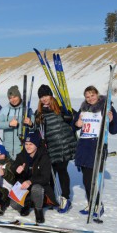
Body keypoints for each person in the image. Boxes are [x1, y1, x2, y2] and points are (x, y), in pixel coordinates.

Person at [74, 85, 117, 216]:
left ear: (97, 94)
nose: (90, 99)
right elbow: (74, 126)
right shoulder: (83, 109)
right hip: (83, 148)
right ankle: (91, 203)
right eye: (87, 97)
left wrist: (111, 120)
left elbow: (115, 130)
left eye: (92, 95)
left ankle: (97, 204)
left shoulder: (106, 107)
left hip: (97, 147)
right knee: (86, 180)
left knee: (91, 180)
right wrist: (77, 124)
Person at [35, 84, 77, 213]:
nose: (44, 99)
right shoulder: (39, 113)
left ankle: (65, 197)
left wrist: (71, 119)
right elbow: (38, 130)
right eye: (41, 97)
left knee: (62, 170)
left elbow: (77, 122)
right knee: (50, 173)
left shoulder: (61, 109)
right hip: (50, 147)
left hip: (64, 146)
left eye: (46, 95)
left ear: (51, 95)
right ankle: (51, 197)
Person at [10, 132, 57, 223]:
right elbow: (13, 166)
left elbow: (45, 178)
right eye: (26, 144)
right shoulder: (22, 155)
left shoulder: (44, 157)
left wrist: (30, 181)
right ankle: (26, 204)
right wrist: (16, 168)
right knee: (14, 205)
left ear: (36, 145)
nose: (28, 146)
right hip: (24, 186)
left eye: (31, 144)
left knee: (36, 188)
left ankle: (38, 209)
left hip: (38, 185)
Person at [0, 85, 34, 159]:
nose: (13, 100)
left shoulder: (27, 110)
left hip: (21, 148)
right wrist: (9, 124)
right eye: (10, 98)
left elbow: (34, 128)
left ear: (19, 96)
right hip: (7, 148)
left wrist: (31, 124)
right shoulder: (4, 110)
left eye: (15, 97)